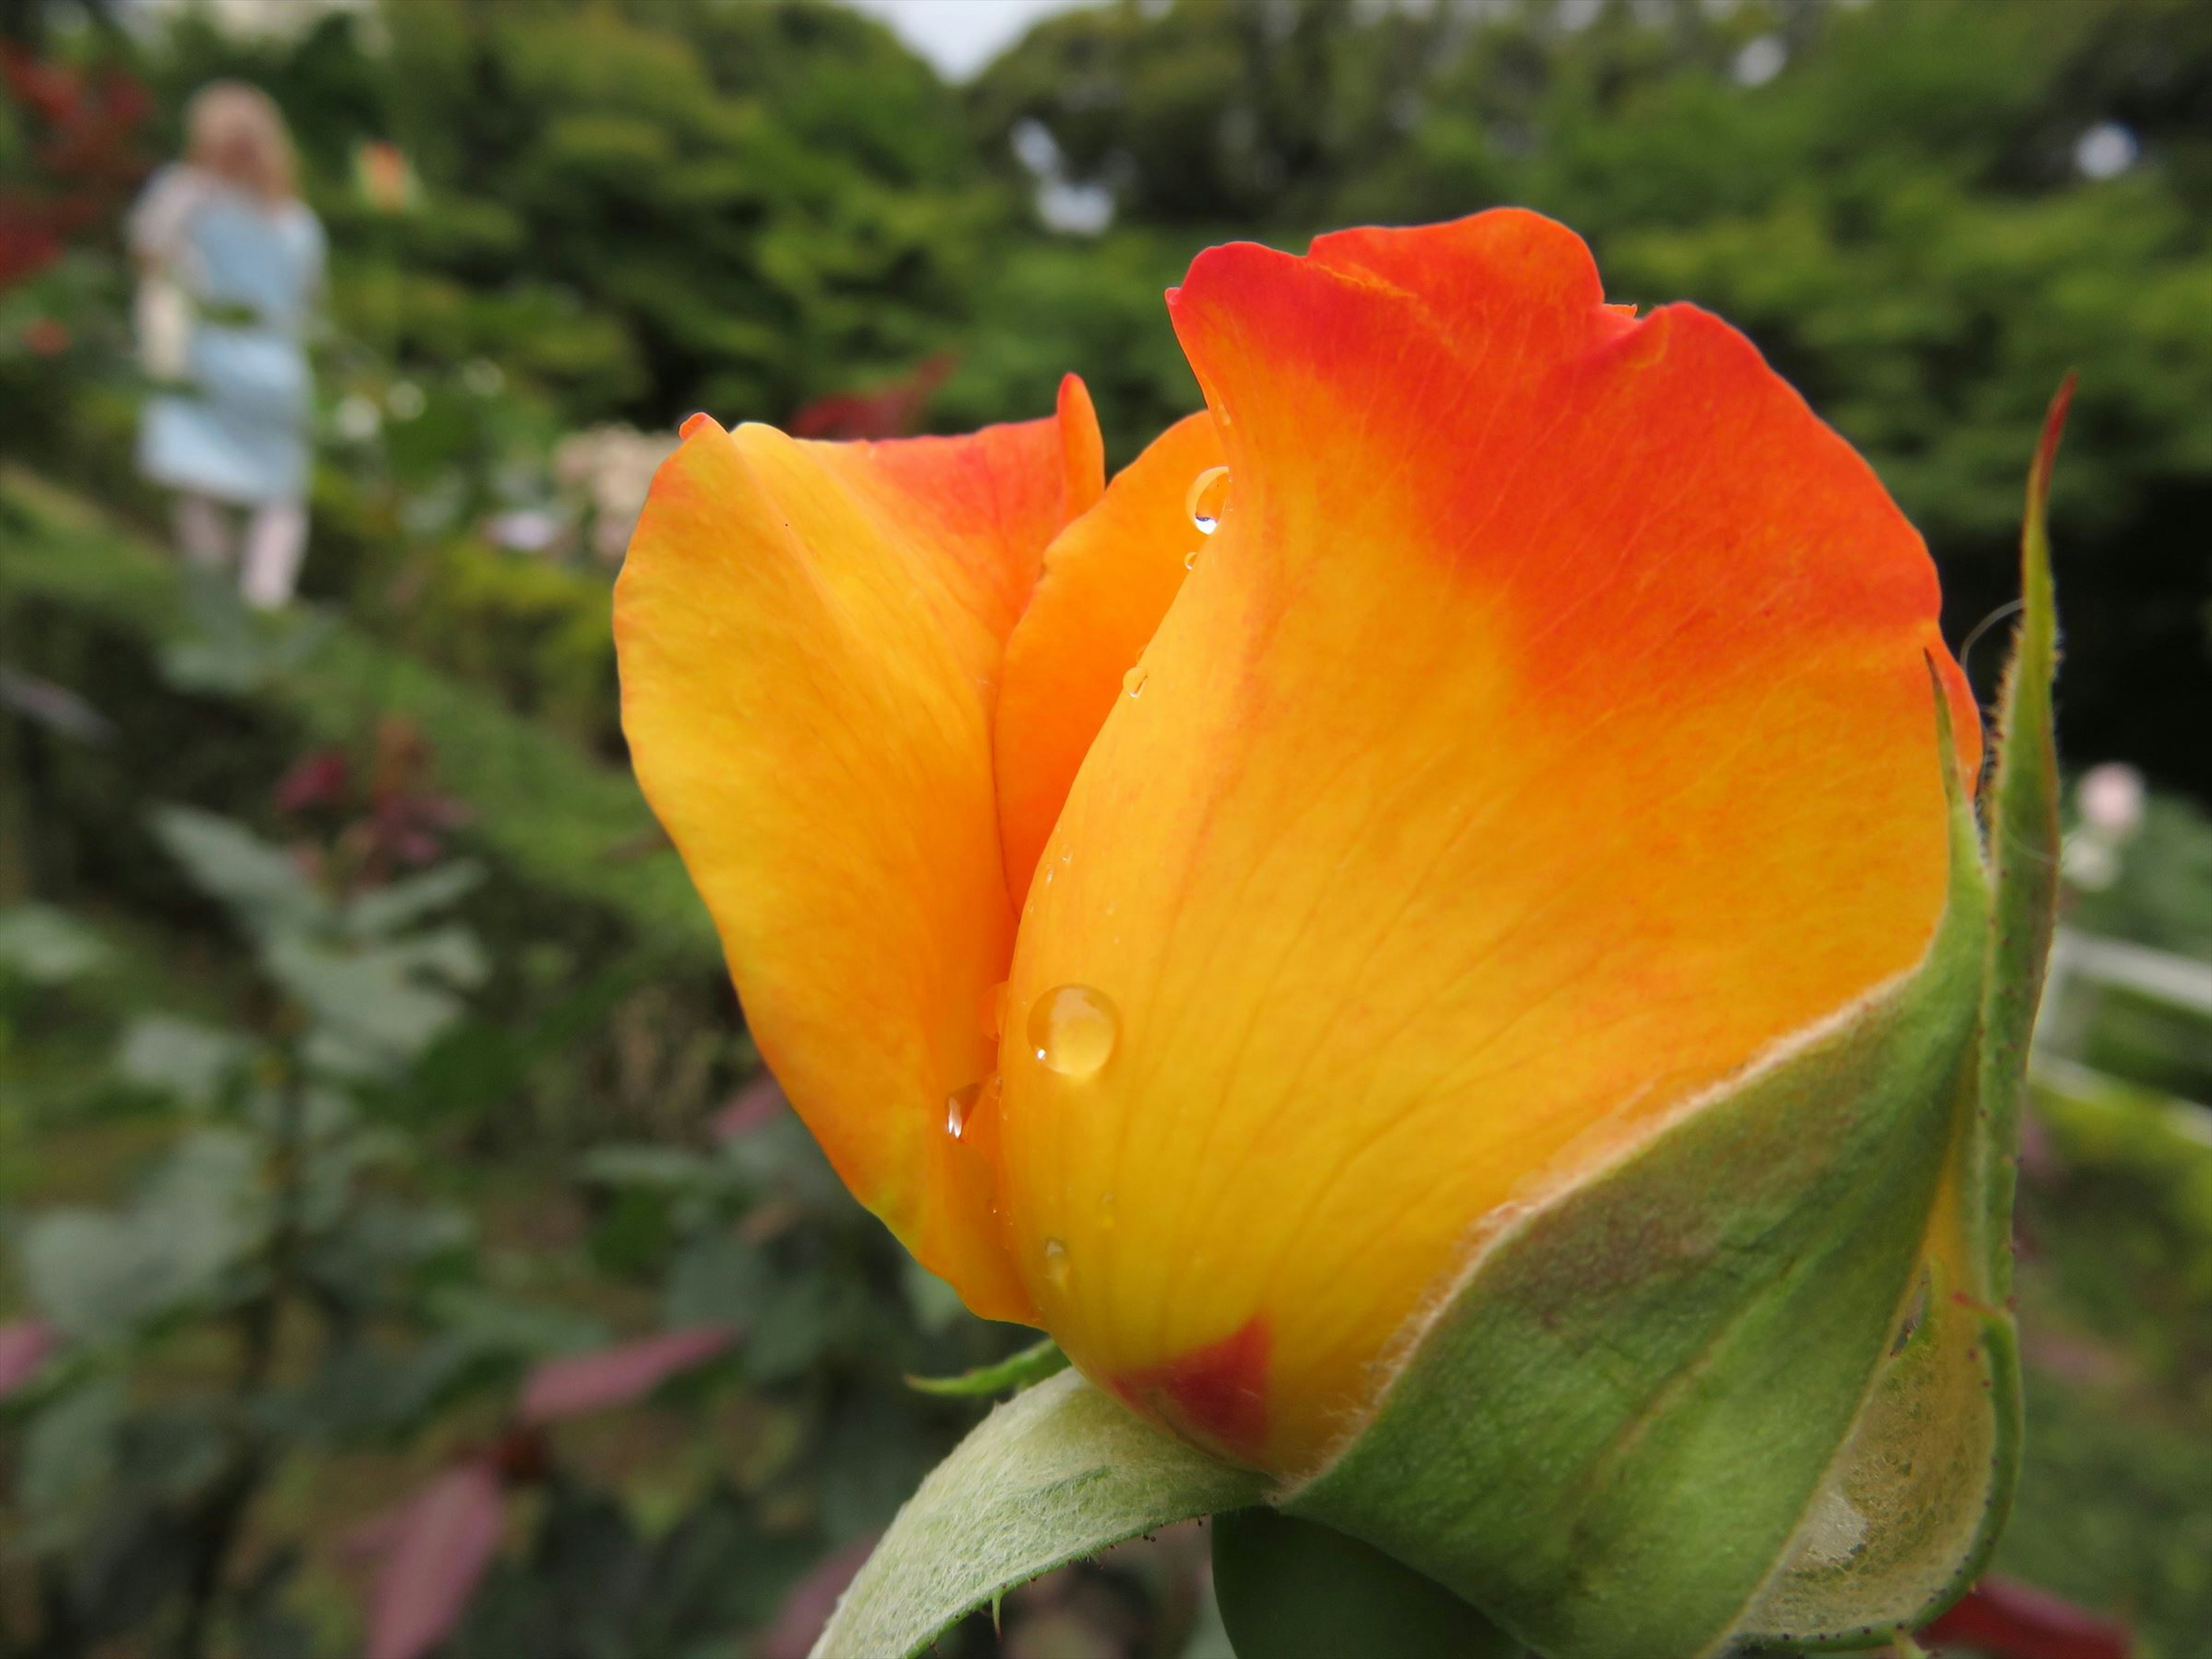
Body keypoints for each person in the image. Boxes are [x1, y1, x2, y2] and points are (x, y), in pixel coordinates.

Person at [129, 82, 323, 610]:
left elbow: (147, 247)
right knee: (282, 492)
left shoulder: (191, 194)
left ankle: (212, 583)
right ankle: (266, 593)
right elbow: (308, 298)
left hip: (210, 355)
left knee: (197, 478)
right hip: (281, 367)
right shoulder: (299, 222)